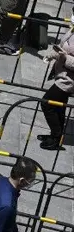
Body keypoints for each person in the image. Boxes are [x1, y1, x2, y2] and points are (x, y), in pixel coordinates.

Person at [38, 20, 74, 151]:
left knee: (46, 103)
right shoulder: (72, 30)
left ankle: (56, 136)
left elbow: (66, 56)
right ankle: (55, 137)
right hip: (61, 74)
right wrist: (52, 55)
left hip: (68, 81)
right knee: (58, 107)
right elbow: (62, 48)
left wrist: (65, 58)